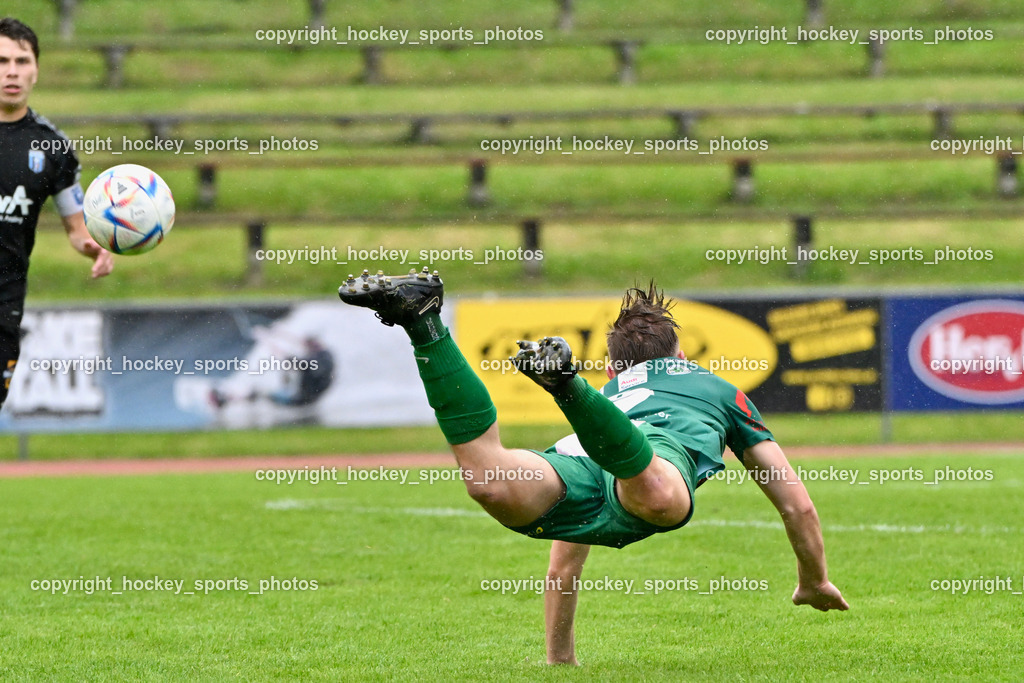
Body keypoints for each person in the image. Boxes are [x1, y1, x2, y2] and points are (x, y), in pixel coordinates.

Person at [339, 268, 848, 665]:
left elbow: (565, 562)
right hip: (634, 459)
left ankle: (428, 326)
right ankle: (542, 377)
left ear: (611, 368)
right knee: (656, 495)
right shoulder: (720, 390)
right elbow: (796, 504)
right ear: (682, 355)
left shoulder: (612, 394)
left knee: (491, 482)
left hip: (586, 453)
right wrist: (814, 579)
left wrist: (560, 659)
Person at [0, 17, 113, 407]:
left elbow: (77, 228)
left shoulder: (52, 148)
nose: (12, 71)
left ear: (36, 70)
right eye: (2, 61)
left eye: (22, 61)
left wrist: (93, 246)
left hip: (4, 303)